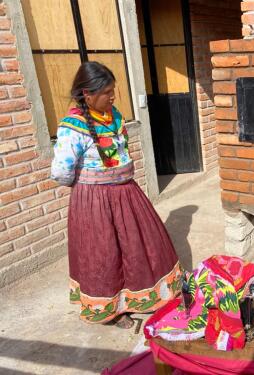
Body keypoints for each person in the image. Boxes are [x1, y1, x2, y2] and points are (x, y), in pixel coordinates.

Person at [51, 61, 183, 329]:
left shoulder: (115, 116)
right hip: (95, 201)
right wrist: (90, 187)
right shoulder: (72, 127)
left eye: (113, 90)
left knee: (137, 247)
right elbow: (61, 171)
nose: (113, 96)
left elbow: (121, 151)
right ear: (88, 94)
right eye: (107, 92)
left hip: (126, 194)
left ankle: (140, 297)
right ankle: (110, 311)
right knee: (104, 254)